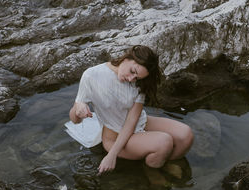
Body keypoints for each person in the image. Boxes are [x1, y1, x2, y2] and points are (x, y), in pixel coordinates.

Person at [69, 45, 194, 175]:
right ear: (127, 58)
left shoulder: (138, 83)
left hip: (138, 123)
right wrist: (78, 107)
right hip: (115, 136)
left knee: (186, 135)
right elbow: (75, 120)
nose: (130, 79)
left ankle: (164, 163)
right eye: (132, 71)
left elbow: (132, 120)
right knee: (164, 142)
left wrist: (112, 156)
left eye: (137, 78)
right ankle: (152, 173)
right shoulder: (92, 75)